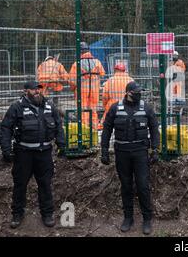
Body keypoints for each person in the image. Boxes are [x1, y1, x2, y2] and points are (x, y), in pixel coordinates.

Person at [0, 81, 65, 229]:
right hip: (24, 154)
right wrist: (6, 149)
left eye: (39, 89)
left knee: (45, 185)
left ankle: (47, 214)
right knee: (20, 185)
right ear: (25, 91)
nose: (37, 91)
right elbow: (6, 128)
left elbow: (58, 126)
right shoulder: (17, 107)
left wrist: (62, 145)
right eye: (34, 89)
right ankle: (17, 214)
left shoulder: (49, 107)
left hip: (44, 154)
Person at [100, 81, 160, 235]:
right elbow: (106, 129)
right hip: (122, 153)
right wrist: (104, 151)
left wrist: (155, 149)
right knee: (126, 186)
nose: (139, 94)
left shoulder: (146, 108)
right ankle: (128, 218)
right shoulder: (115, 108)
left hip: (140, 152)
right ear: (128, 93)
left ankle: (147, 219)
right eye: (136, 92)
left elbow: (154, 128)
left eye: (140, 92)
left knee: (143, 186)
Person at [69, 42, 106, 129]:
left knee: (83, 110)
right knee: (93, 110)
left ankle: (85, 131)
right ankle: (94, 130)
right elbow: (102, 73)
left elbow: (72, 81)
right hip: (94, 91)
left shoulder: (76, 64)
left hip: (82, 92)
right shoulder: (97, 62)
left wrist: (73, 89)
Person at [100, 63, 134, 128]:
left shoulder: (110, 80)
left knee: (105, 124)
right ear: (124, 70)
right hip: (128, 105)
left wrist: (105, 106)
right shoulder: (130, 80)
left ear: (115, 70)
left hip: (112, 105)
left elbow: (105, 96)